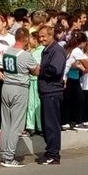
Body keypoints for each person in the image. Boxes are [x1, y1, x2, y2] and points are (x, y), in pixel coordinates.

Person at [0, 28, 35, 167]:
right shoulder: (25, 55)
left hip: (6, 86)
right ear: (25, 38)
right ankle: (9, 157)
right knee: (17, 124)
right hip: (19, 88)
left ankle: (3, 153)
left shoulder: (7, 51)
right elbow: (36, 70)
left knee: (6, 122)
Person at [35, 24, 65, 165]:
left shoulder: (57, 50)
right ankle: (50, 151)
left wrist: (40, 71)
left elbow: (55, 70)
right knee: (46, 124)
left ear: (51, 35)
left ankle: (54, 154)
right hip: (45, 90)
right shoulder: (46, 50)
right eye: (39, 36)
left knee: (52, 124)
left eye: (44, 36)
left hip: (53, 91)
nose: (41, 39)